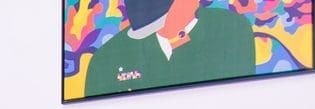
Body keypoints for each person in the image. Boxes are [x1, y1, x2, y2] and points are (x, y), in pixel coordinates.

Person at [82, 1, 254, 98]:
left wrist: (177, 41)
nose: (159, 29)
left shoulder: (230, 28)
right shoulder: (107, 58)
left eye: (163, 19)